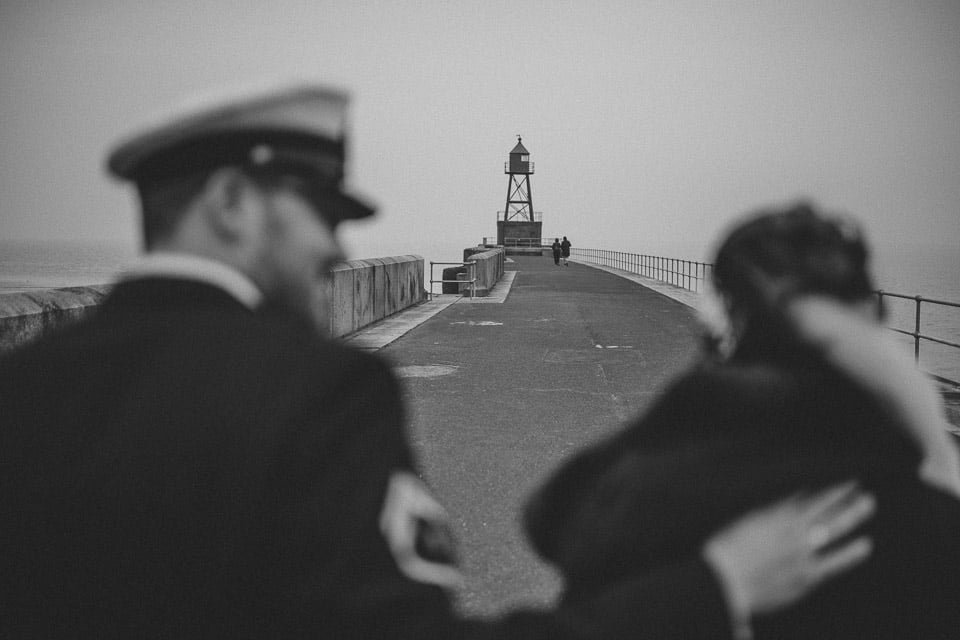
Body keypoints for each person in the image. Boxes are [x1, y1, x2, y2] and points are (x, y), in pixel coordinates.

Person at [0, 87, 875, 639]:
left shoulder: (25, 389)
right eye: (321, 212)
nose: (339, 247)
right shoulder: (320, 392)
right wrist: (710, 591)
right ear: (229, 203)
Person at [524, 202, 960, 639]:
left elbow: (551, 517)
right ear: (870, 317)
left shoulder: (650, 482)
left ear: (724, 322)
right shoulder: (924, 502)